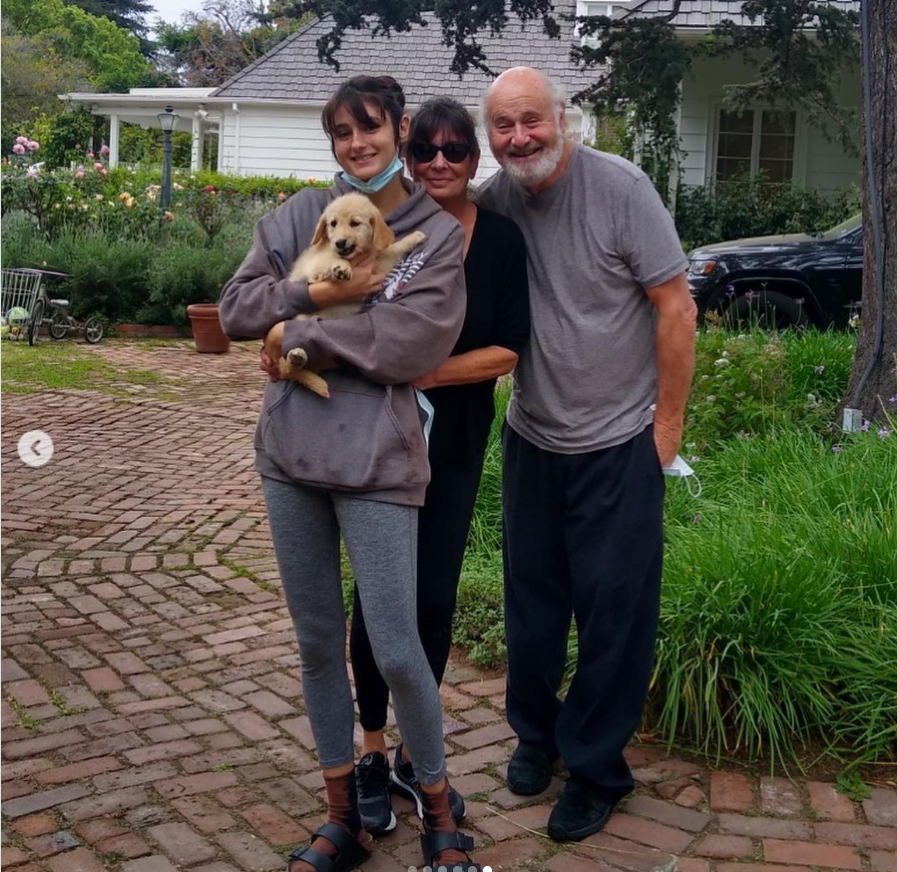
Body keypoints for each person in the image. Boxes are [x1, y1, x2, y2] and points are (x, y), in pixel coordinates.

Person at [219, 76, 483, 872]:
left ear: (397, 129)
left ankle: (438, 811)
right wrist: (306, 295)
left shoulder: (432, 235)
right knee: (312, 643)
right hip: (290, 458)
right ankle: (341, 814)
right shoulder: (301, 217)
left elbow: (414, 346)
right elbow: (235, 309)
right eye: (341, 133)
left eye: (368, 129)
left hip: (375, 461)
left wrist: (299, 334)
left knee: (398, 649)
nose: (356, 145)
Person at [476, 67, 698, 842]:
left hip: (617, 443)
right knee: (532, 611)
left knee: (614, 616)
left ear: (561, 118)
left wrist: (663, 434)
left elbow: (675, 309)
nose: (518, 138)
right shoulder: (495, 199)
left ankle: (598, 768)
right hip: (534, 438)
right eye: (501, 126)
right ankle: (537, 738)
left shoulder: (621, 187)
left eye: (530, 120)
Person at [347, 97, 530, 835]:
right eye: (425, 149)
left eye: (456, 151)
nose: (439, 163)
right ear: (408, 153)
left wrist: (427, 371)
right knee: (374, 597)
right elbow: (330, 306)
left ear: (475, 160)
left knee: (431, 601)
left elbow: (509, 350)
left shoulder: (502, 242)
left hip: (453, 444)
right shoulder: (384, 228)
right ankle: (366, 750)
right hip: (376, 443)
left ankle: (414, 759)